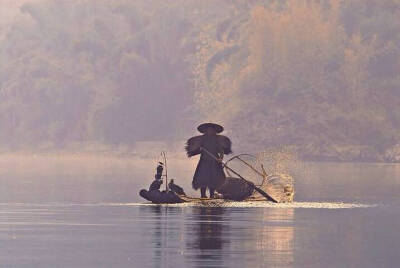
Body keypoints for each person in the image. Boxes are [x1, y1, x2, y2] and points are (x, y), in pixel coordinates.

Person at [185, 122, 232, 198]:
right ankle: (203, 195)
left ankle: (212, 195)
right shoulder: (201, 139)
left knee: (214, 178)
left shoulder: (217, 140)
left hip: (215, 162)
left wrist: (220, 158)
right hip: (204, 162)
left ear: (214, 131)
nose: (209, 131)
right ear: (205, 131)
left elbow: (221, 150)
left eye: (211, 129)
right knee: (202, 178)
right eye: (208, 129)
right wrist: (199, 148)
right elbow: (196, 149)